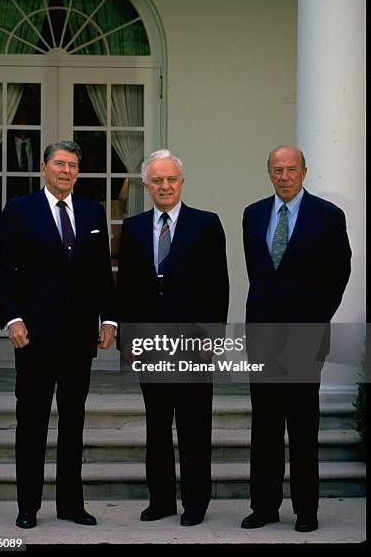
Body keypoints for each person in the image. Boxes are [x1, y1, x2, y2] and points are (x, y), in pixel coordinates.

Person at [0, 140, 117, 529]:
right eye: (60, 164)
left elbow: (101, 273)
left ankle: (70, 504)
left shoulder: (91, 210)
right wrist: (12, 317)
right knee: (32, 422)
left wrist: (109, 319)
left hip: (79, 338)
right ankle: (28, 506)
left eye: (73, 166)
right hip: (33, 336)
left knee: (73, 423)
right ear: (45, 168)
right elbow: (5, 271)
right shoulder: (19, 211)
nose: (67, 171)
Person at [241, 145, 351, 532]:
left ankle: (306, 511)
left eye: (291, 170)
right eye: (277, 170)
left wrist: (315, 320)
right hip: (263, 335)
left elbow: (339, 273)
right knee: (265, 426)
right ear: (268, 172)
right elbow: (259, 274)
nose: (284, 177)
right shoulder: (253, 214)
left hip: (305, 335)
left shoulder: (328, 216)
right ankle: (264, 507)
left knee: (303, 427)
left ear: (304, 172)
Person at [117, 150, 229, 526]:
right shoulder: (132, 227)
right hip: (151, 344)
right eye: (157, 181)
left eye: (171, 179)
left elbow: (219, 287)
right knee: (157, 426)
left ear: (181, 182)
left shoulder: (206, 224)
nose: (165, 186)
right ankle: (161, 500)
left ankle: (195, 503)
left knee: (195, 427)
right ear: (146, 186)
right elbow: (126, 288)